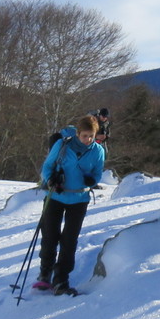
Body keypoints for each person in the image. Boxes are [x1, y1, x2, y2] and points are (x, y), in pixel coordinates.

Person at [35, 113, 106, 295]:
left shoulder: (98, 151)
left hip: (79, 199)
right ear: (77, 133)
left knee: (69, 240)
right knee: (50, 236)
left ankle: (61, 279)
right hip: (55, 196)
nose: (88, 139)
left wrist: (92, 180)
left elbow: (98, 172)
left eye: (91, 136)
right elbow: (47, 167)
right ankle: (45, 273)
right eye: (85, 135)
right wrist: (51, 179)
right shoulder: (62, 145)